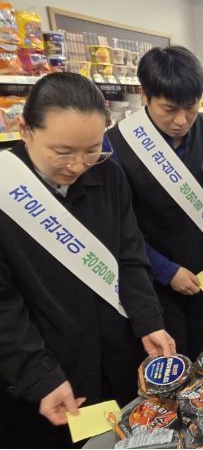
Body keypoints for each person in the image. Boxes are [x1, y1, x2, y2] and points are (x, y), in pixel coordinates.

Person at [0, 73, 175, 448]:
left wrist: (148, 320)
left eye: (92, 149)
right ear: (25, 129)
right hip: (48, 373)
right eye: (62, 152)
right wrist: (38, 376)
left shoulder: (109, 175)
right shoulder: (5, 188)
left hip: (118, 356)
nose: (78, 166)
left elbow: (130, 255)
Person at [105, 46, 203, 360]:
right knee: (171, 362)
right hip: (152, 279)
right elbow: (120, 226)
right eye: (169, 109)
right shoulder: (118, 144)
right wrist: (167, 271)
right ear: (144, 95)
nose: (181, 120)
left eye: (191, 108)